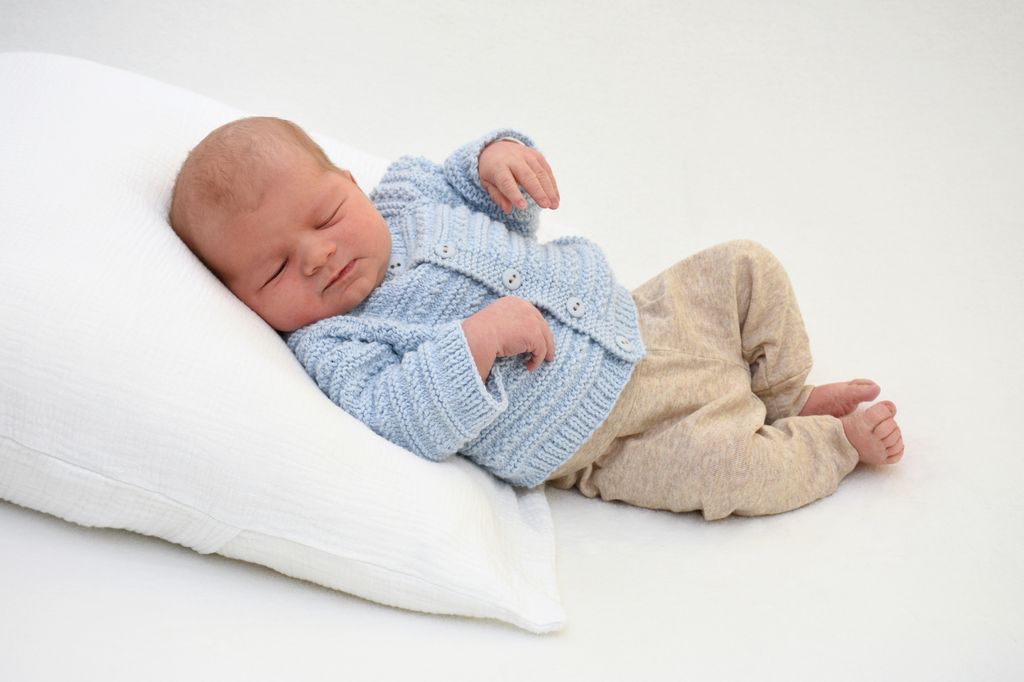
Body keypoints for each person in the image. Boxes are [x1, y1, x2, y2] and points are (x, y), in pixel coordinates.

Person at [169, 116, 904, 521]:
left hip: (639, 316)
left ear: (352, 185)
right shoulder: (333, 344)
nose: (317, 256)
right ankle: (832, 445)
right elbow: (397, 414)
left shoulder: (408, 193)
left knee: (746, 265)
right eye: (274, 270)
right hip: (601, 441)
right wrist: (474, 344)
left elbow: (479, 191)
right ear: (243, 301)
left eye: (327, 215)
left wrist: (495, 159)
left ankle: (784, 396)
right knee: (729, 471)